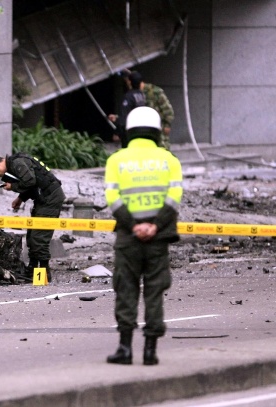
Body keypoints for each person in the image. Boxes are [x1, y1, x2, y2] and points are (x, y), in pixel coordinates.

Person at [104, 106, 183, 366]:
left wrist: (133, 225)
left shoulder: (116, 160)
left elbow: (113, 199)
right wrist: (155, 226)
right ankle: (150, 351)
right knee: (154, 290)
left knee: (126, 289)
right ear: (157, 131)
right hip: (158, 239)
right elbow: (174, 199)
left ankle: (125, 349)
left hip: (128, 238)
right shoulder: (169, 160)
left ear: (129, 131)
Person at [0, 152, 65, 282]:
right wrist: (20, 198)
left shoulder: (17, 163)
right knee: (32, 235)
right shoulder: (15, 164)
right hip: (43, 199)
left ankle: (44, 272)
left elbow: (30, 181)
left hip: (50, 199)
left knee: (39, 237)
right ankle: (32, 270)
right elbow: (34, 183)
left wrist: (13, 187)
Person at [108, 71, 146, 148]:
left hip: (129, 132)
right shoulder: (141, 95)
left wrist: (117, 132)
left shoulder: (129, 96)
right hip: (140, 130)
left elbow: (124, 117)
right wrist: (117, 117)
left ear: (129, 82)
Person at [143, 81, 174, 150]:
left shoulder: (154, 92)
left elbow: (168, 111)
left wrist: (167, 125)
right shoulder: (135, 94)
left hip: (159, 128)